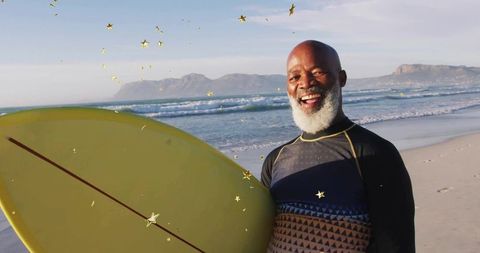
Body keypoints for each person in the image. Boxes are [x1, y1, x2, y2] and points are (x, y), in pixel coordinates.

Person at [261, 40, 415, 253]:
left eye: (317, 72)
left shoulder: (375, 153)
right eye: (294, 77)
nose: (305, 83)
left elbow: (397, 247)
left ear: (341, 78)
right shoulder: (275, 160)